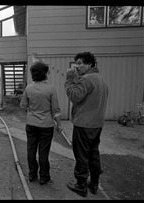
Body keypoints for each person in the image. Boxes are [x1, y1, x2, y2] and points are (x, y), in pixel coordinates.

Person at [64, 52, 108, 197]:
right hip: (96, 124)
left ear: (89, 64)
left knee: (81, 155)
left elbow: (75, 96)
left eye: (80, 63)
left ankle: (81, 185)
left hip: (84, 124)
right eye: (76, 63)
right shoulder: (100, 79)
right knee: (93, 153)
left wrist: (70, 80)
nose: (76, 66)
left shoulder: (87, 79)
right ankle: (94, 183)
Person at [20, 62, 62, 185]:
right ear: (44, 74)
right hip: (46, 126)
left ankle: (32, 175)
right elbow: (56, 110)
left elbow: (23, 105)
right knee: (44, 152)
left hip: (31, 124)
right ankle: (44, 177)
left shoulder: (28, 88)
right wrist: (59, 125)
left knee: (31, 150)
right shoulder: (51, 89)